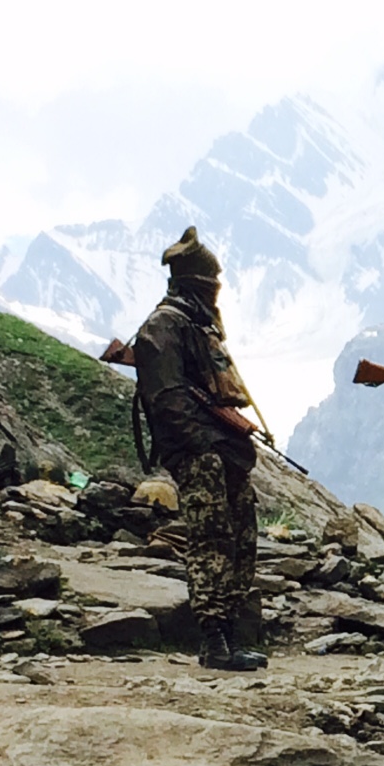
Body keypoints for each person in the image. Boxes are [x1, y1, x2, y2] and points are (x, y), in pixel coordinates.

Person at [131, 226, 268, 672]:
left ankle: (231, 633)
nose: (217, 290)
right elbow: (166, 398)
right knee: (211, 540)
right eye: (212, 282)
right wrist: (204, 445)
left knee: (240, 539)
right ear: (196, 282)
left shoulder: (195, 324)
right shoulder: (164, 326)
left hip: (222, 453)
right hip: (200, 455)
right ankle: (214, 640)